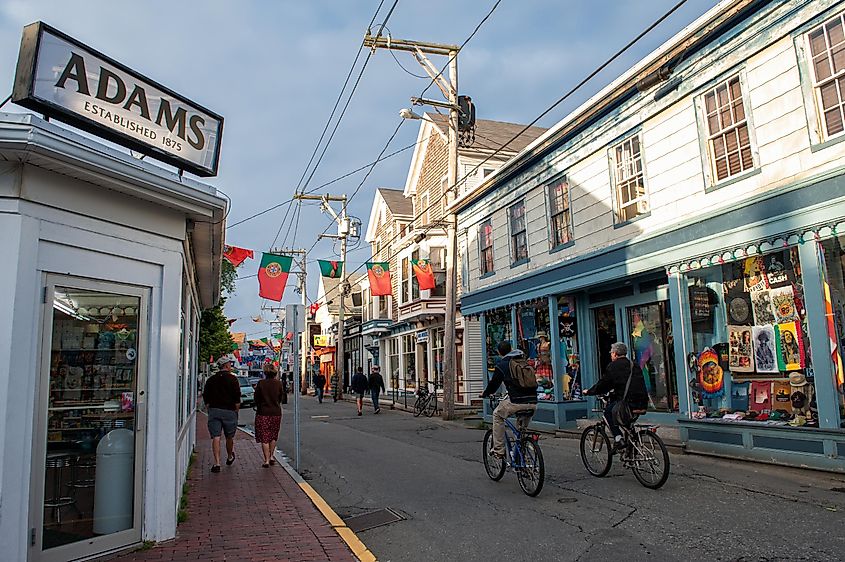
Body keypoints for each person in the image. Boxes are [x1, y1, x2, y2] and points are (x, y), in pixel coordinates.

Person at [583, 342, 649, 452]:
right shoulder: (634, 364)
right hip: (642, 401)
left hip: (628, 403)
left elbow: (604, 384)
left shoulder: (613, 366)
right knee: (625, 419)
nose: (611, 355)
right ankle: (631, 443)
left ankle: (618, 439)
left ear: (615, 354)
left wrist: (589, 391)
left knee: (608, 412)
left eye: (611, 353)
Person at [479, 341, 538, 459]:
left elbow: (494, 384)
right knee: (521, 431)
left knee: (497, 415)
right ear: (511, 349)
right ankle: (522, 456)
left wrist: (485, 393)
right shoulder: (523, 360)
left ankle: (499, 450)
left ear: (499, 353)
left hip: (516, 401)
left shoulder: (503, 364)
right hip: (533, 402)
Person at [202, 354, 241, 473]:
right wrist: (236, 409)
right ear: (226, 365)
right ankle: (229, 456)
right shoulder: (233, 379)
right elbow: (237, 396)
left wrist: (210, 408)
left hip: (214, 410)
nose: (230, 366)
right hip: (229, 411)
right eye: (229, 364)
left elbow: (206, 396)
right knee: (229, 436)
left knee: (216, 436)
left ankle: (217, 462)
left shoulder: (211, 380)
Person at [254, 363, 285, 468]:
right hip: (276, 412)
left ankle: (266, 460)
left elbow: (256, 398)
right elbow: (281, 398)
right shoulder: (279, 384)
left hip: (263, 412)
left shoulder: (261, 383)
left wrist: (258, 405)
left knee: (264, 436)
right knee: (273, 435)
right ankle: (271, 456)